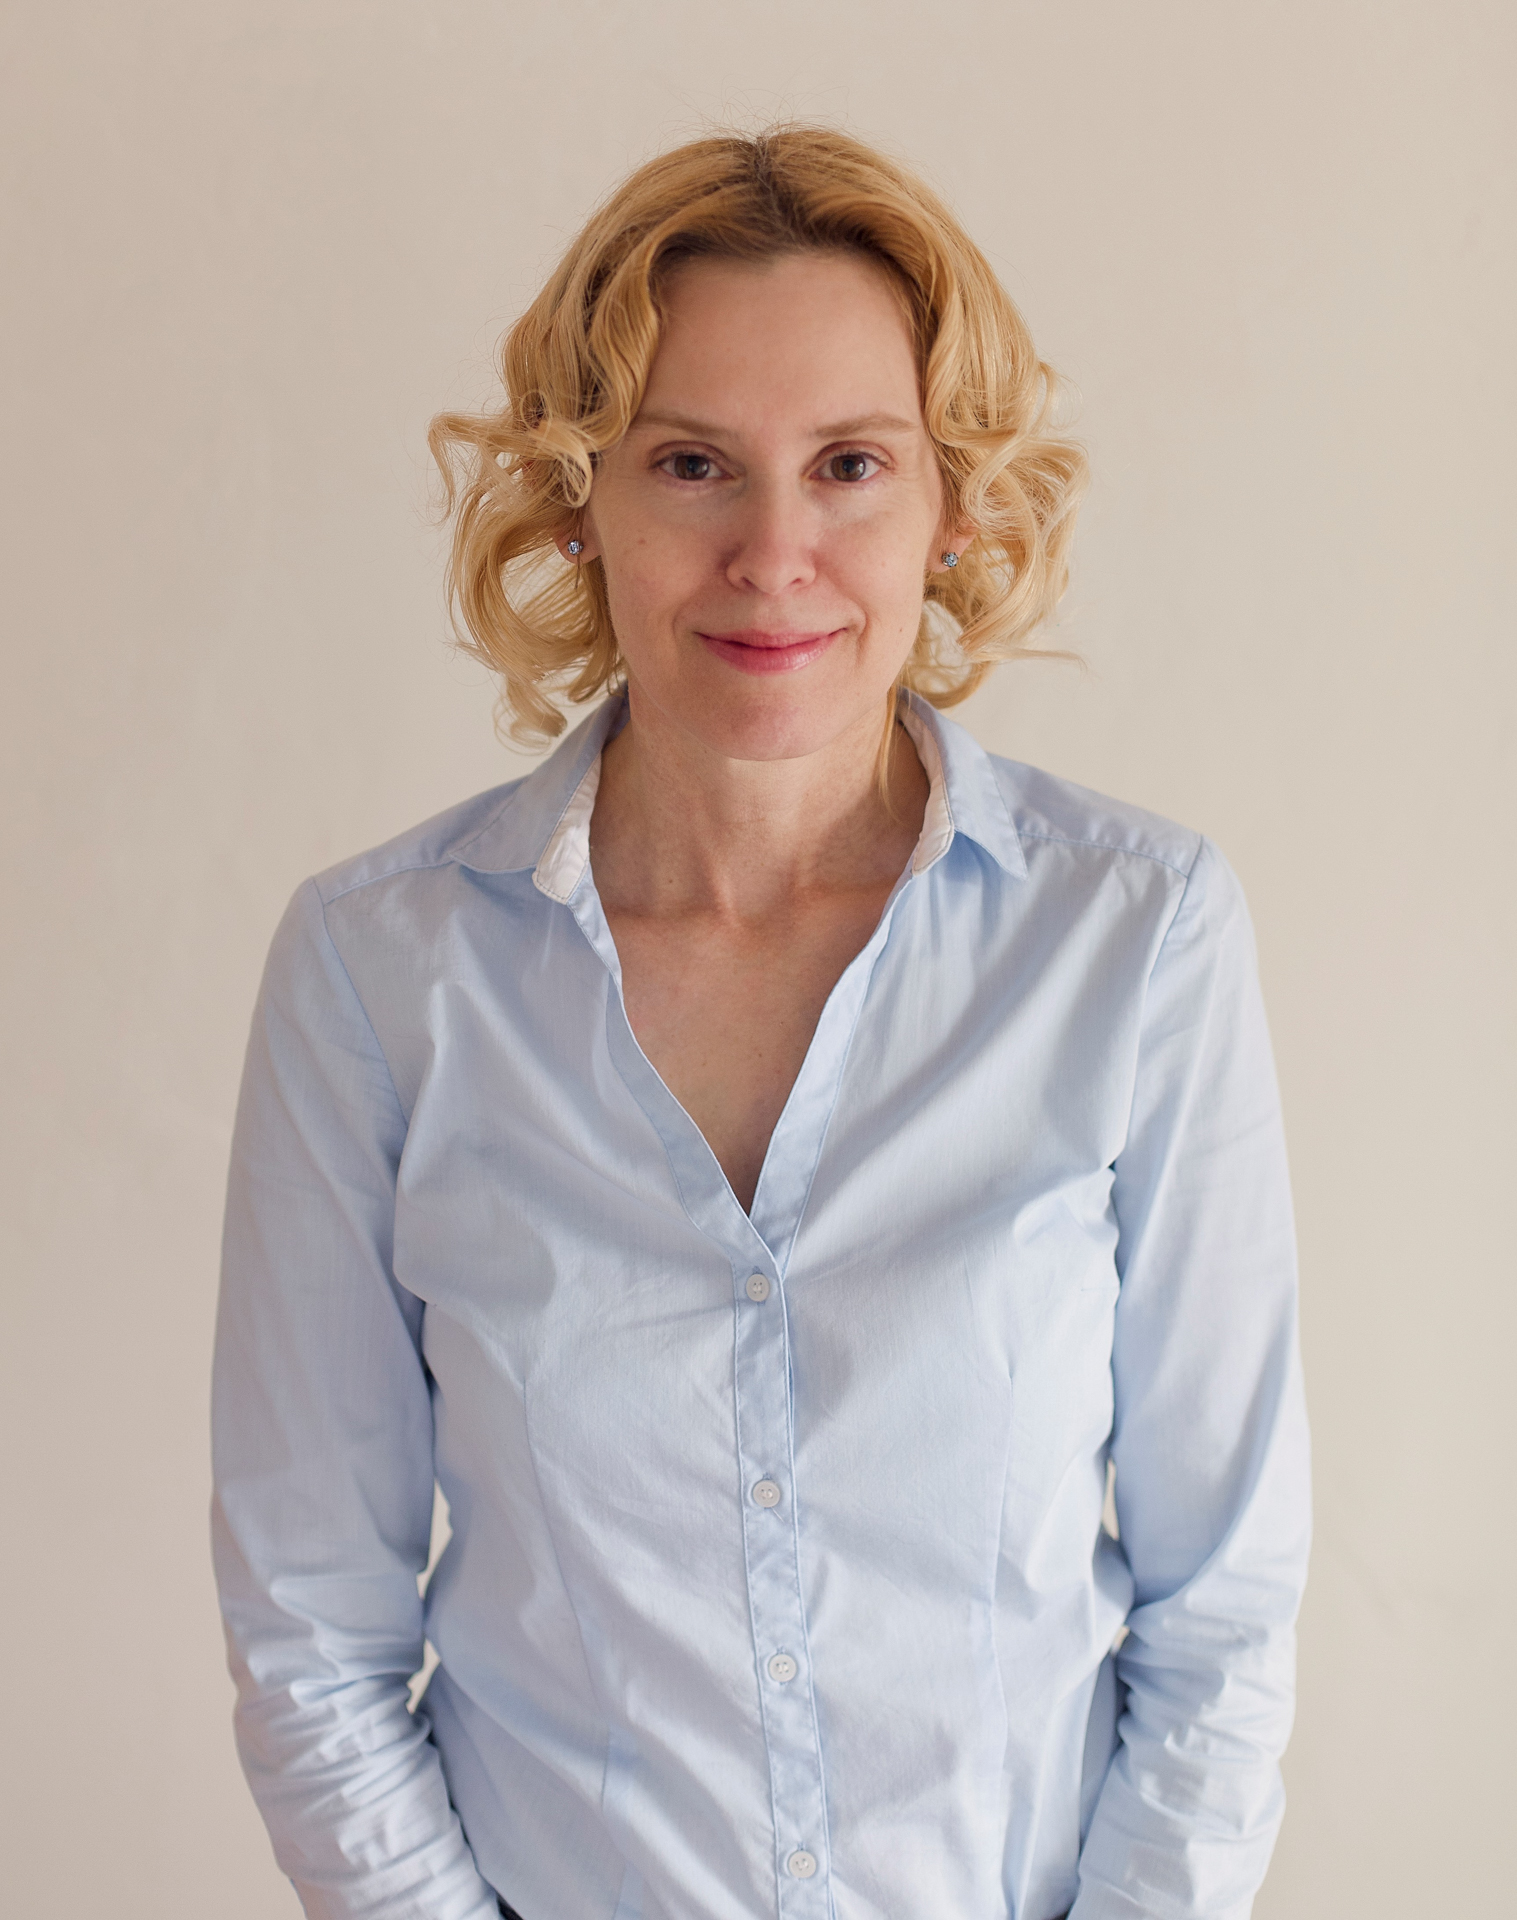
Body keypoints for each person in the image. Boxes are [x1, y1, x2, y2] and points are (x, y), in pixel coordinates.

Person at [212, 126, 1310, 1920]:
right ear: (582, 500)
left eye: (852, 465)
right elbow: (310, 1636)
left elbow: (1222, 1605)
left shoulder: (1135, 938)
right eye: (693, 464)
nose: (773, 552)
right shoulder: (377, 975)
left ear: (953, 504)